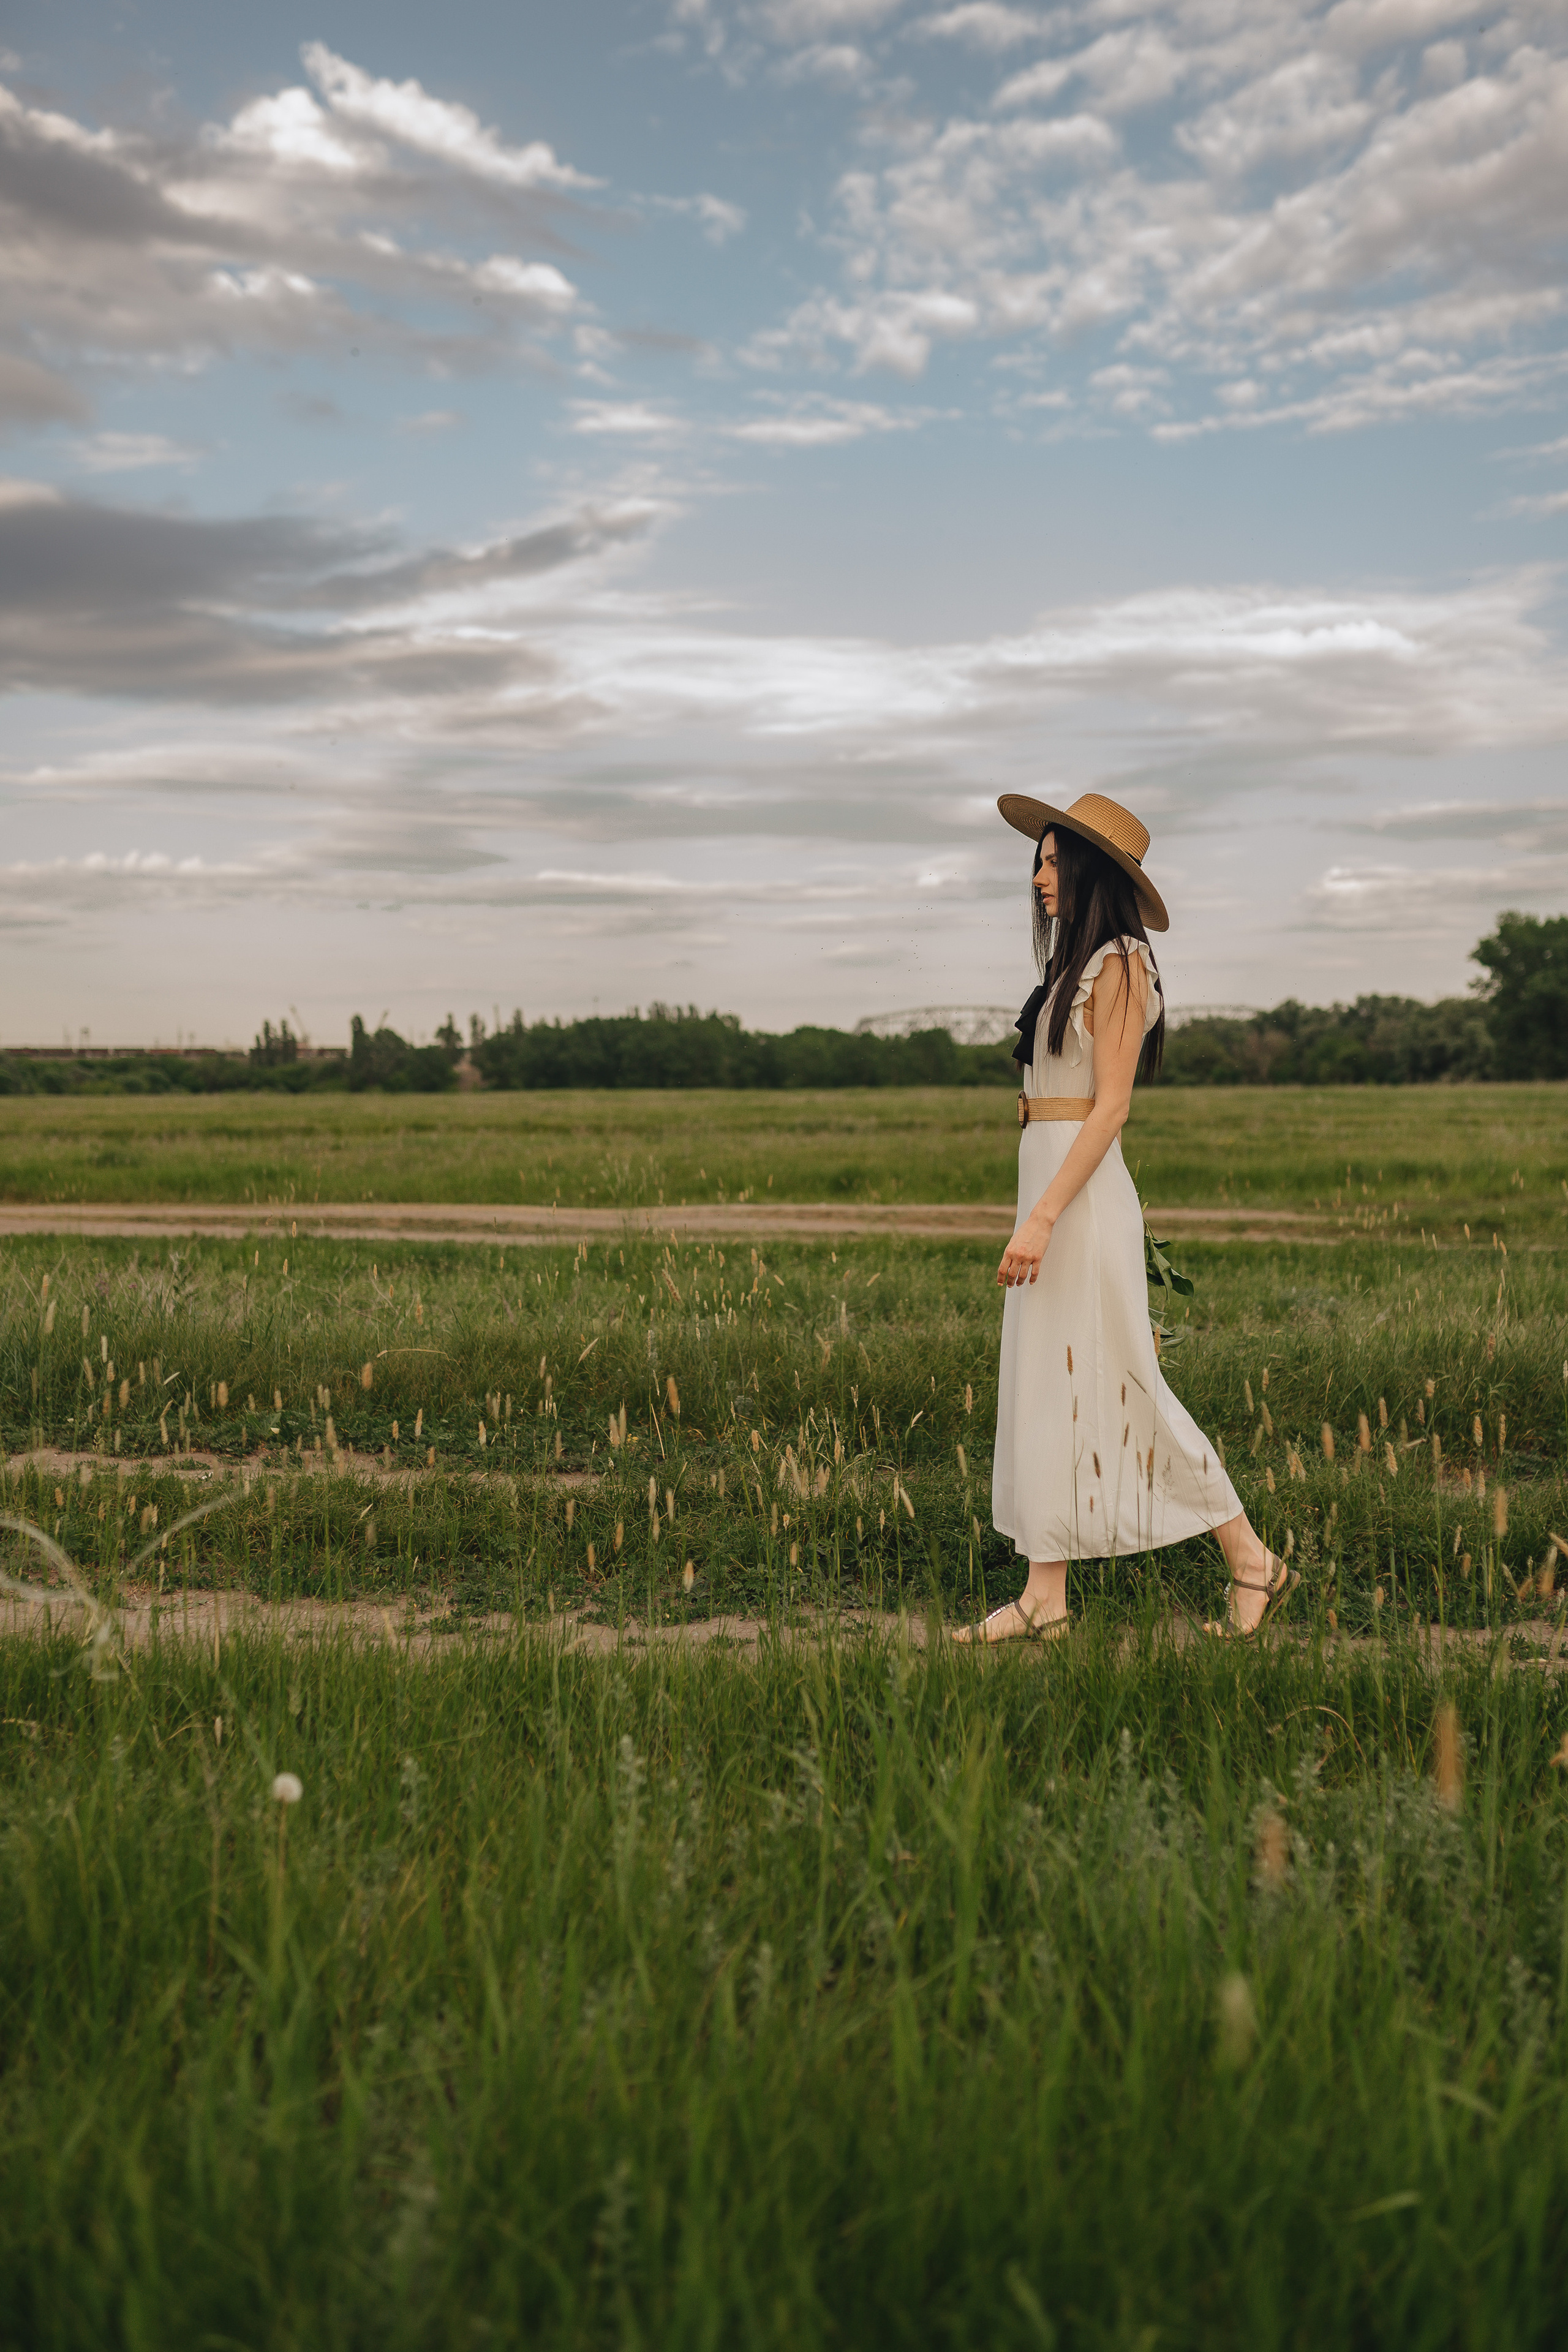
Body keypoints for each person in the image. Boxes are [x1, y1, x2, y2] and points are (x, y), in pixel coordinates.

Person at [954, 791, 1294, 1645]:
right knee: (1048, 1382)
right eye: (1036, 861)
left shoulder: (1121, 965)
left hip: (1082, 1197)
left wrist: (1042, 1219)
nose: (1036, 877)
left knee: (1124, 1378)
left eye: (1052, 861)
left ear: (1091, 872)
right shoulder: (1072, 967)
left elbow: (1109, 1111)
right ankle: (1044, 1596)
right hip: (1052, 1179)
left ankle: (1253, 1559)